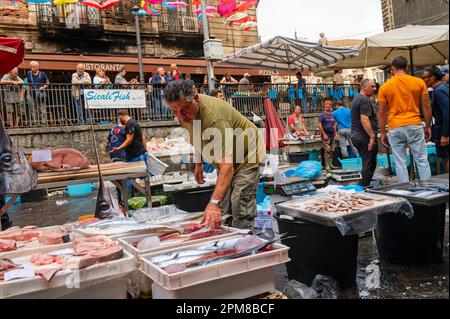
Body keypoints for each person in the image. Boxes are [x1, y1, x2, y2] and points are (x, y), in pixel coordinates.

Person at [163, 80, 266, 230]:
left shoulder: (215, 117)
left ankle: (245, 243)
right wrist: (198, 163)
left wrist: (213, 203)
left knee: (239, 203)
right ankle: (225, 239)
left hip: (248, 154)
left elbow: (227, 167)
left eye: (184, 109)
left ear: (196, 99)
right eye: (174, 111)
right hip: (227, 157)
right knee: (223, 208)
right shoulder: (184, 114)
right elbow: (196, 135)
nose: (181, 116)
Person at [378, 56, 432, 183]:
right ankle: (429, 191)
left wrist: (382, 132)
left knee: (400, 162)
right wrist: (428, 126)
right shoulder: (419, 82)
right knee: (422, 159)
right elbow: (427, 106)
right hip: (414, 123)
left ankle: (405, 192)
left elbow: (381, 112)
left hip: (395, 127)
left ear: (393, 68)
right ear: (406, 67)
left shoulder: (385, 87)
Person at [351, 79, 379, 187]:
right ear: (364, 87)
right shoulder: (364, 100)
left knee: (367, 162)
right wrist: (372, 136)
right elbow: (364, 119)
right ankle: (364, 187)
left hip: (357, 135)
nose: (374, 89)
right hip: (364, 136)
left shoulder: (356, 99)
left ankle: (363, 185)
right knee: (369, 163)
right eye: (372, 86)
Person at [423, 66, 449, 172]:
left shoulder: (439, 90)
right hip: (442, 128)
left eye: (424, 77)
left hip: (444, 130)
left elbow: (447, 111)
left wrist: (445, 135)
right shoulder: (443, 88)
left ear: (432, 78)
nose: (423, 80)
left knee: (447, 158)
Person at [26, 61, 49, 125]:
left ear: (37, 67)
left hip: (40, 93)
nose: (32, 68)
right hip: (32, 93)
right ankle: (35, 122)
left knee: (42, 108)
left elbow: (47, 82)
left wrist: (43, 87)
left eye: (33, 67)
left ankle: (43, 122)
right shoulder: (29, 74)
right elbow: (28, 84)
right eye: (31, 67)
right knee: (33, 109)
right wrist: (28, 94)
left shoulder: (42, 74)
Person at [319, 100, 338, 170]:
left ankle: (331, 164)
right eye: (326, 105)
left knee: (332, 150)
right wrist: (324, 134)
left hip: (332, 135)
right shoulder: (322, 115)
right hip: (326, 135)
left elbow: (335, 125)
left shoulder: (332, 115)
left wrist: (336, 134)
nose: (328, 106)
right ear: (324, 106)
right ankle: (327, 165)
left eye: (329, 105)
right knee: (327, 149)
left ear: (331, 106)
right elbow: (319, 125)